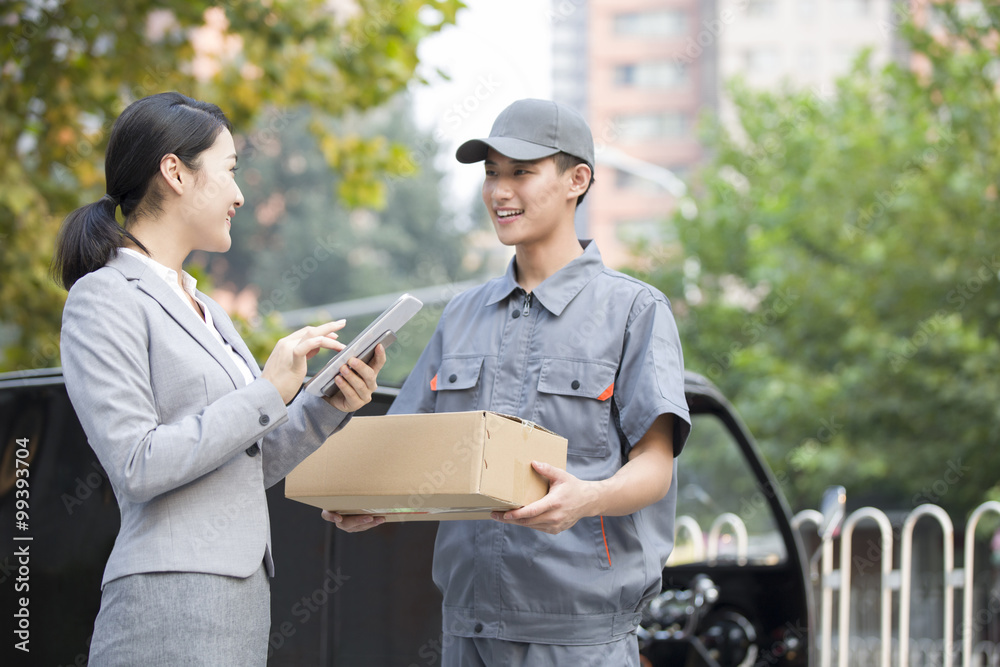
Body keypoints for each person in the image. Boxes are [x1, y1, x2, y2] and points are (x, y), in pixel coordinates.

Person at [323, 98, 691, 666]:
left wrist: (586, 498)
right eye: (491, 173)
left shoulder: (634, 311)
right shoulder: (463, 316)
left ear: (577, 180)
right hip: (467, 632)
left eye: (521, 172)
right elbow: (419, 456)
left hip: (579, 641)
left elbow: (655, 466)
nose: (500, 190)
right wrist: (379, 503)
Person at [54, 91, 385, 666]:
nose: (238, 194)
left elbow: (245, 461)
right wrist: (266, 391)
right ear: (175, 172)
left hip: (238, 598)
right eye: (230, 171)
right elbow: (137, 464)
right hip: (168, 603)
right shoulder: (103, 297)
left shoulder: (208, 310)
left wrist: (325, 404)